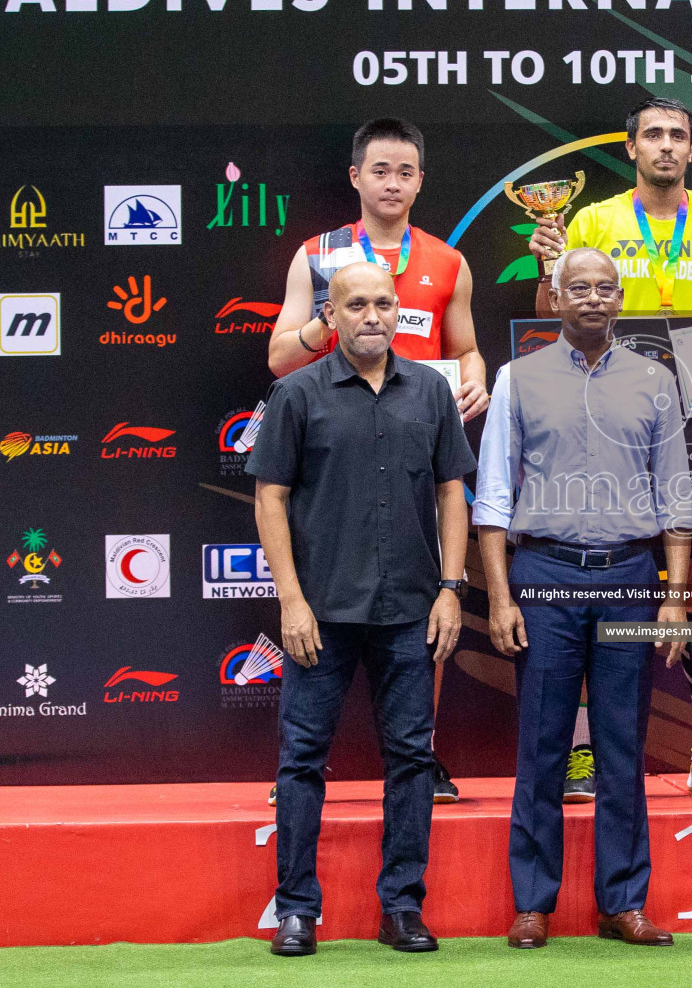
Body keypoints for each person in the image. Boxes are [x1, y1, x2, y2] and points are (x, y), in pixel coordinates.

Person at [527, 97, 692, 802]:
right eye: (653, 136)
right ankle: (580, 754)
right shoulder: (593, 219)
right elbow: (550, 312)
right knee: (585, 590)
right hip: (605, 416)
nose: (666, 146)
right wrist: (548, 274)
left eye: (678, 137)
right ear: (630, 148)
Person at [249, 261, 477, 957]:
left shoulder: (431, 393)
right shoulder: (295, 394)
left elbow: (451, 495)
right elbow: (270, 500)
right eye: (357, 304)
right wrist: (290, 601)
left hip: (411, 610)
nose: (373, 314)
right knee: (302, 761)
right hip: (319, 613)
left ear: (398, 310)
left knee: (412, 759)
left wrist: (450, 588)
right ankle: (296, 910)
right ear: (333, 314)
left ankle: (402, 908)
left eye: (384, 302)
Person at [474, 247, 692, 949]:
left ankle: (623, 903)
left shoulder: (656, 380)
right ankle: (533, 903)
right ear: (557, 297)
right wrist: (501, 598)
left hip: (632, 581)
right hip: (543, 578)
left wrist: (674, 599)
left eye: (605, 288)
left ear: (620, 297)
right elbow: (494, 499)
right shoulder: (517, 377)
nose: (594, 299)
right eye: (580, 288)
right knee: (542, 745)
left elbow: (675, 498)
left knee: (624, 745)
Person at [268, 117, 488, 805]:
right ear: (357, 176)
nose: (392, 183)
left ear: (420, 180)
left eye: (406, 172)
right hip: (335, 444)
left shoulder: (447, 261)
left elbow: (466, 348)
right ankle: (301, 765)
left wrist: (476, 375)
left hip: (417, 445)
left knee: (424, 606)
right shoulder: (320, 253)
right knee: (319, 600)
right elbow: (278, 357)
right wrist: (327, 321)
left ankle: (422, 755)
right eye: (380, 170)